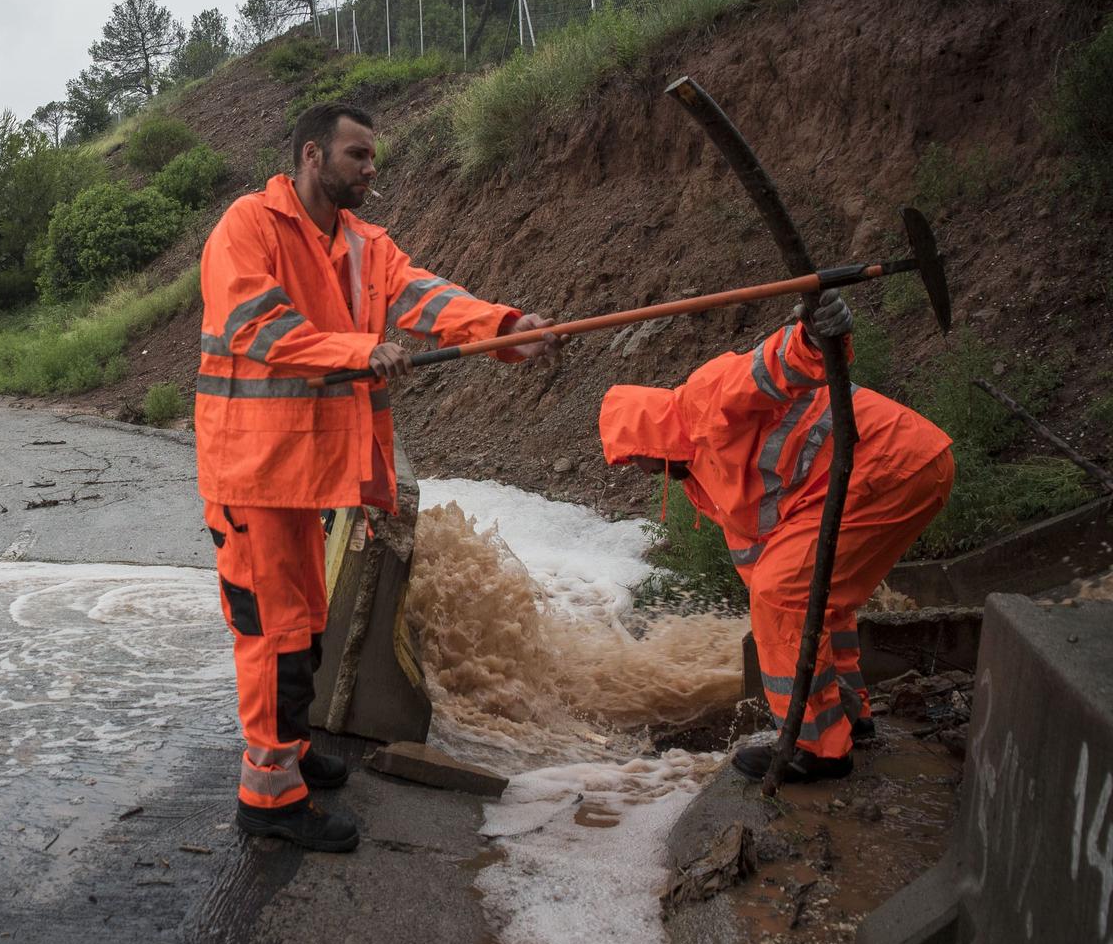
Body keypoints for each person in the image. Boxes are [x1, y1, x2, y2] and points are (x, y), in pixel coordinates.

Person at [196, 101, 558, 851]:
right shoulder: (247, 225)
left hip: (304, 477)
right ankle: (268, 798)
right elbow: (255, 327)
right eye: (357, 155)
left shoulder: (363, 243)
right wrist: (358, 350)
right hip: (251, 476)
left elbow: (424, 295)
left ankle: (292, 750)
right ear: (311, 154)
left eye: (372, 157)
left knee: (305, 624)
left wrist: (501, 328)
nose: (370, 168)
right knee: (272, 636)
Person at [597, 298, 954, 783]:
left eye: (635, 458)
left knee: (783, 594)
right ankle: (846, 716)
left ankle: (817, 748)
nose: (641, 470)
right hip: (892, 471)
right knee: (813, 600)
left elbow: (771, 366)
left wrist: (815, 335)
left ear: (647, 438)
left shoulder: (704, 399)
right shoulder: (703, 477)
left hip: (889, 464)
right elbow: (756, 552)